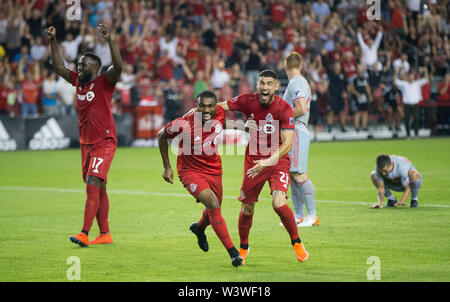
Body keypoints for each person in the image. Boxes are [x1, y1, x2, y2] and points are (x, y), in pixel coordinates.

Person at [217, 70, 309, 264]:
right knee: (247, 209)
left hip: (277, 161)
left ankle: (297, 242)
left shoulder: (284, 109)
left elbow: (288, 144)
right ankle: (243, 247)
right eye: (261, 83)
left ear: (276, 86)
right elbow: (221, 107)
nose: (265, 87)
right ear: (257, 85)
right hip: (253, 161)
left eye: (269, 83)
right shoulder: (246, 100)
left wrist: (268, 161)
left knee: (279, 203)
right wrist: (201, 109)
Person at [46, 24, 122, 247]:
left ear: (96, 68)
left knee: (92, 183)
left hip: (104, 141)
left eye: (84, 65)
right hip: (86, 144)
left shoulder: (104, 82)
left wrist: (111, 41)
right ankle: (105, 234)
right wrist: (52, 40)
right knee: (100, 187)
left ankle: (84, 233)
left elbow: (119, 66)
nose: (79, 68)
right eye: (79, 64)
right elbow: (59, 66)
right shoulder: (78, 83)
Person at [157, 90, 243, 267]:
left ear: (215, 106)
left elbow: (222, 122)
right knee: (212, 203)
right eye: (202, 105)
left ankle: (199, 228)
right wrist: (167, 166)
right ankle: (233, 253)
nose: (206, 109)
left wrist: (243, 126)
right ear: (195, 105)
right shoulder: (184, 123)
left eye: (210, 106)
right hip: (190, 171)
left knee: (215, 206)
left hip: (214, 170)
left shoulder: (219, 113)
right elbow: (161, 135)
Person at [283, 52, 318, 227]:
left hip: (295, 130)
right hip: (296, 129)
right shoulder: (299, 82)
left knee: (298, 174)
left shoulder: (296, 82)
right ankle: (298, 215)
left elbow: (302, 108)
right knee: (292, 173)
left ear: (285, 66)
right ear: (301, 65)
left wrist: (284, 118)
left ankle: (312, 216)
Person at [394, 67, 429, 138]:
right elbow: (395, 81)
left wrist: (426, 71)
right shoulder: (404, 84)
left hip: (415, 104)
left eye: (412, 77)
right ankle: (408, 135)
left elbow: (426, 80)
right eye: (409, 77)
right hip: (407, 104)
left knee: (416, 119)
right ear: (408, 78)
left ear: (414, 78)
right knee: (407, 120)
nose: (411, 78)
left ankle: (416, 134)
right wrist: (396, 72)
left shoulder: (417, 83)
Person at [349, 65, 373, 132]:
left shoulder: (365, 77)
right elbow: (350, 88)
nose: (360, 71)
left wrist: (370, 95)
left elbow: (367, 87)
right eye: (359, 69)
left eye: (361, 69)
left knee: (365, 112)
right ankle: (356, 127)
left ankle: (364, 127)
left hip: (364, 97)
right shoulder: (353, 78)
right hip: (356, 98)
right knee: (357, 112)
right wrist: (357, 94)